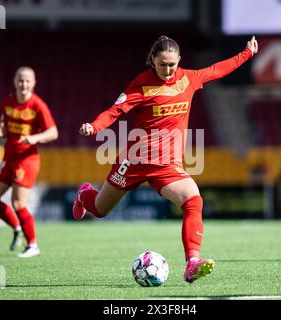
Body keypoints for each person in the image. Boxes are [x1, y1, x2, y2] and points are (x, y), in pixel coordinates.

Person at [74, 36, 258, 282]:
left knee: (194, 202)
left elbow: (217, 70)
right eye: (162, 64)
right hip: (135, 160)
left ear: (179, 61)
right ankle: (84, 194)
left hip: (167, 165)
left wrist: (247, 53)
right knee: (99, 209)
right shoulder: (141, 85)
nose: (168, 70)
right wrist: (94, 127)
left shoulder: (188, 79)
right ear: (152, 60)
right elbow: (114, 111)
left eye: (172, 64)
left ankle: (192, 262)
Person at [0, 66, 58, 258]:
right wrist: (0, 131)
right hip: (8, 158)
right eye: (20, 80)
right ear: (15, 81)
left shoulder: (37, 105)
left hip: (26, 161)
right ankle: (16, 227)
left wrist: (35, 138)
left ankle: (33, 245)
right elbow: (5, 127)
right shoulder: (8, 102)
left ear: (33, 83)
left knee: (18, 203)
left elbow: (53, 132)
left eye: (27, 80)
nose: (23, 84)